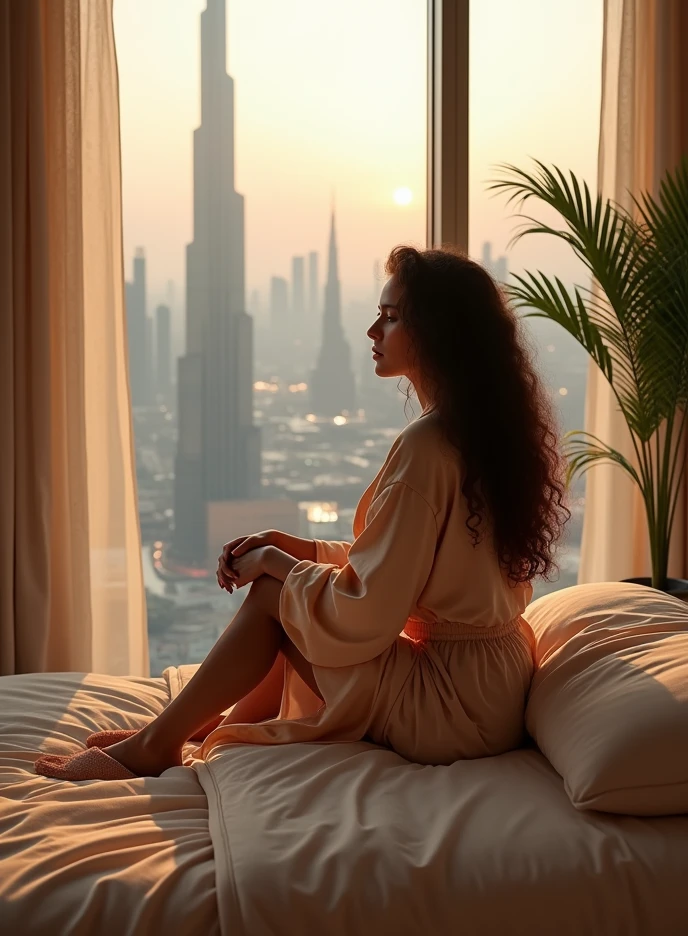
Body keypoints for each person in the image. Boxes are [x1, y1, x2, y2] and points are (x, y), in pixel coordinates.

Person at [35, 245, 570, 781]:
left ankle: (156, 745)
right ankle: (196, 733)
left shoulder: (428, 446)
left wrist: (277, 565)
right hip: (488, 689)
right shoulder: (485, 432)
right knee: (292, 599)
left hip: (449, 707)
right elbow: (405, 566)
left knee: (277, 596)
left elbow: (367, 609)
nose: (372, 332)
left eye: (389, 317)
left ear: (436, 331)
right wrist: (300, 550)